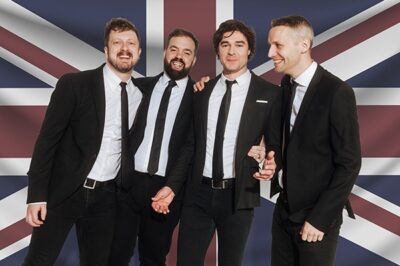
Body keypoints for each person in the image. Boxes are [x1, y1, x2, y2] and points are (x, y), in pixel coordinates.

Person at [152, 19, 281, 266]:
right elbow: (190, 146)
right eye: (225, 44)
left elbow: (275, 146)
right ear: (218, 51)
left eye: (239, 45)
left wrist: (270, 161)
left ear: (250, 51)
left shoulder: (269, 94)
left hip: (238, 195)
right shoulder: (202, 91)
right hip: (197, 194)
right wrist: (172, 187)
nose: (232, 51)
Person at [23, 18, 143, 266]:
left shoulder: (140, 94)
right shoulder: (75, 84)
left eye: (130, 43)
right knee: (39, 261)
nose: (124, 48)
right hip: (65, 191)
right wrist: (36, 195)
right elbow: (47, 141)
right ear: (106, 49)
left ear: (139, 52)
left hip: (106, 198)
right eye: (117, 42)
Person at [265, 15, 361, 266]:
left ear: (304, 45)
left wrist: (320, 219)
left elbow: (349, 163)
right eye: (270, 45)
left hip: (316, 215)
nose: (270, 53)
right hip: (284, 211)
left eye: (278, 45)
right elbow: (284, 142)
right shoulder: (285, 85)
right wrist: (270, 159)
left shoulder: (337, 92)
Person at [108, 28, 198, 266]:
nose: (179, 56)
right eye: (174, 50)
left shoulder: (201, 97)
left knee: (153, 258)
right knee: (115, 255)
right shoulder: (139, 86)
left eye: (186, 52)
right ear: (165, 52)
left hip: (166, 188)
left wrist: (172, 187)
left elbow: (191, 147)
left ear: (193, 60)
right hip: (128, 184)